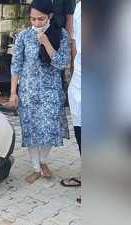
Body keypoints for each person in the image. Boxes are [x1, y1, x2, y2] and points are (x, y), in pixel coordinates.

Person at [8, 0, 70, 184]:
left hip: (51, 89)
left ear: (49, 16)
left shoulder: (61, 34)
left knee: (49, 128)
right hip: (28, 90)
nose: (36, 23)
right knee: (32, 130)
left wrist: (47, 43)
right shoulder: (24, 36)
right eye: (32, 19)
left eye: (40, 19)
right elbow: (16, 64)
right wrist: (13, 92)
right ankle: (36, 167)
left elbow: (61, 63)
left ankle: (43, 161)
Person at [60, 0, 81, 203]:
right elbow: (75, 43)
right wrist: (74, 72)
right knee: (81, 130)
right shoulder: (79, 7)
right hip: (81, 79)